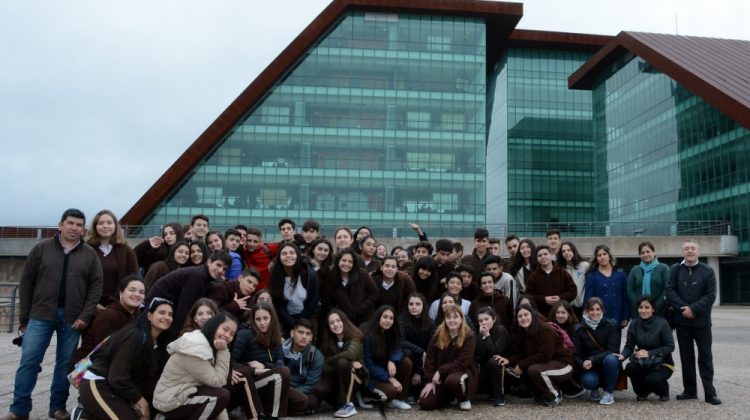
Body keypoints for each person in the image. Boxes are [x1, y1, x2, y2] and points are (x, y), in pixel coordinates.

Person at [6, 208, 103, 420]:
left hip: (73, 318)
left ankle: (57, 407)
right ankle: (19, 409)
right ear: (60, 225)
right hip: (40, 314)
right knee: (29, 360)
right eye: (70, 223)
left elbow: (96, 288)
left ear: (84, 230)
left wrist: (85, 316)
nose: (74, 228)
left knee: (64, 364)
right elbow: (27, 283)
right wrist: (24, 318)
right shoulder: (41, 248)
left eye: (79, 225)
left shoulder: (89, 255)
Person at [78, 297, 174, 420]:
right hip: (98, 383)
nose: (167, 317)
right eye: (161, 312)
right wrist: (142, 403)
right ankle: (82, 414)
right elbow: (117, 377)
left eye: (170, 314)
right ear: (149, 316)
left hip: (117, 389)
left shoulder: (158, 344)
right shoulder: (135, 337)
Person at [666, 239, 721, 405]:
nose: (690, 251)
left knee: (705, 357)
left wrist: (693, 309)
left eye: (693, 248)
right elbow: (670, 291)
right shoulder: (675, 269)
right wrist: (684, 309)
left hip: (702, 323)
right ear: (682, 251)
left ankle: (710, 393)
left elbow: (711, 295)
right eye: (687, 248)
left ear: (698, 251)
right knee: (686, 358)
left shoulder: (708, 271)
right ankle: (690, 391)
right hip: (682, 322)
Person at [153, 312, 237, 419]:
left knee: (219, 402)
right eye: (225, 329)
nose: (227, 335)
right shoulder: (196, 348)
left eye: (232, 334)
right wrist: (223, 351)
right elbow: (218, 381)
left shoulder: (208, 344)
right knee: (221, 396)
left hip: (184, 393)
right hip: (169, 402)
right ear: (214, 325)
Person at [146, 250, 231, 339]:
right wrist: (177, 338)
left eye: (224, 269)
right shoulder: (198, 276)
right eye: (218, 265)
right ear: (209, 262)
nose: (221, 270)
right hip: (156, 308)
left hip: (165, 307)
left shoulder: (204, 276)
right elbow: (185, 310)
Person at [71, 275, 146, 370]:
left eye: (141, 292)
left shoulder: (137, 315)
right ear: (121, 293)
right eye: (132, 290)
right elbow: (105, 352)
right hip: (89, 368)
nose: (137, 294)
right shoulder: (109, 316)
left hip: (114, 364)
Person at [231, 302, 292, 419]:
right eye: (258, 319)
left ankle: (264, 408)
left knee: (302, 401)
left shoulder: (276, 336)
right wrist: (255, 370)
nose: (262, 323)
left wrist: (264, 366)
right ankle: (272, 416)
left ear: (272, 318)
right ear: (253, 320)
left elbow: (280, 363)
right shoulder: (244, 334)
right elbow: (232, 364)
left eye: (265, 318)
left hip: (270, 380)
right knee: (283, 373)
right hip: (250, 384)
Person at [506, 304, 575, 407]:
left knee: (534, 369)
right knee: (526, 370)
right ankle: (542, 394)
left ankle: (555, 395)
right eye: (520, 316)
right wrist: (508, 360)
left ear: (533, 315)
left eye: (526, 314)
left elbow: (545, 355)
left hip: (564, 365)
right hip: (548, 365)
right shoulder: (522, 333)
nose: (523, 318)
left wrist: (521, 365)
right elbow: (520, 355)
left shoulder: (544, 329)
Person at [418, 304, 478, 411]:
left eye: (455, 317)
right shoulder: (438, 334)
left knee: (453, 380)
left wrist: (440, 371)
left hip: (461, 372)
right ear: (444, 319)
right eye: (448, 317)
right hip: (440, 376)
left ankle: (463, 398)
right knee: (425, 403)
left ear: (461, 318)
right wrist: (429, 381)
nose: (452, 320)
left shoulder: (469, 335)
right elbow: (430, 359)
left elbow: (463, 362)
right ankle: (448, 396)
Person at [618, 296, 675, 402]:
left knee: (651, 380)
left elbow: (670, 346)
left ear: (653, 309)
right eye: (641, 307)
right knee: (630, 368)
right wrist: (622, 355)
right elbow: (629, 346)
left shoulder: (662, 323)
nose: (643, 310)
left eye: (647, 307)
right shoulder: (634, 323)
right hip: (643, 362)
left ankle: (663, 390)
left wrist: (649, 353)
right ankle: (642, 392)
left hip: (663, 363)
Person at [315, 309, 368, 418]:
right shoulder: (327, 341)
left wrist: (330, 361)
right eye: (332, 323)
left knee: (343, 363)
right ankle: (339, 403)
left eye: (338, 321)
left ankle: (348, 405)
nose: (336, 325)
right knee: (319, 389)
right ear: (328, 326)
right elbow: (323, 366)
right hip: (336, 377)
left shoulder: (355, 336)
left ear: (344, 321)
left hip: (356, 377)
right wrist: (338, 367)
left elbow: (350, 355)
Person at [363, 305, 413, 410]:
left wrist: (392, 360)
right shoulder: (368, 336)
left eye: (391, 318)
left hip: (388, 369)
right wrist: (389, 378)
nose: (388, 321)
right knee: (392, 390)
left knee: (406, 362)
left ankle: (400, 399)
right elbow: (368, 364)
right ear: (378, 317)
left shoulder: (391, 332)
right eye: (385, 317)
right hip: (374, 377)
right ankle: (369, 395)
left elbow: (400, 349)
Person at [85, 210, 138, 308]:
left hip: (119, 305)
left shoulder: (127, 251)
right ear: (95, 227)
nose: (105, 226)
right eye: (100, 223)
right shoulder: (86, 249)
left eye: (109, 223)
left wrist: (119, 304)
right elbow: (80, 280)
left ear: (115, 226)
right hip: (89, 306)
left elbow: (133, 279)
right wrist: (93, 304)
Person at [573, 297, 621, 405]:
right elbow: (576, 354)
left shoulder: (610, 325)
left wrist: (592, 360)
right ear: (586, 311)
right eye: (591, 309)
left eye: (598, 309)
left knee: (611, 359)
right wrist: (582, 364)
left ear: (602, 310)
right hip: (590, 367)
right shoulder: (579, 329)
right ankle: (594, 388)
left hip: (605, 363)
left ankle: (609, 392)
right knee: (589, 381)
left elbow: (612, 350)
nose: (595, 312)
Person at [269, 243, 320, 333]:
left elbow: (313, 299)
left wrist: (300, 322)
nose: (288, 256)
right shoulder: (275, 275)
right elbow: (277, 302)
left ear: (297, 255)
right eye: (284, 254)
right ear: (279, 258)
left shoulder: (309, 274)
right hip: (285, 317)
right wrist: (291, 322)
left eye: (292, 253)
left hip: (308, 315)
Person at [584, 245, 630, 342]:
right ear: (596, 259)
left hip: (617, 316)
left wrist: (626, 316)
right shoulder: (592, 276)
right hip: (598, 318)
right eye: (599, 255)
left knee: (614, 351)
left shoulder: (620, 275)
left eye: (604, 254)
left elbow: (625, 296)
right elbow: (588, 299)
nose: (602, 257)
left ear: (609, 256)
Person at [322, 249, 377, 326]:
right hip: (341, 321)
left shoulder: (362, 274)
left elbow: (374, 292)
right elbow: (328, 301)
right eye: (344, 260)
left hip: (363, 319)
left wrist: (364, 305)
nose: (346, 264)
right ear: (338, 262)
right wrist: (338, 313)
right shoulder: (332, 277)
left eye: (350, 262)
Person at [282, 319, 324, 415]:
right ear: (292, 333)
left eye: (308, 334)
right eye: (300, 332)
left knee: (312, 401)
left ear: (311, 337)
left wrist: (295, 393)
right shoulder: (281, 349)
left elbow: (311, 384)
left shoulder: (316, 355)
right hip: (280, 386)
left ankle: (280, 409)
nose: (304, 337)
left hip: (299, 390)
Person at [398, 293, 433, 401]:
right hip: (409, 356)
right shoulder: (402, 319)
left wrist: (419, 371)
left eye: (418, 304)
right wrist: (420, 351)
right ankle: (406, 392)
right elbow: (401, 341)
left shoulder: (430, 322)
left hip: (423, 360)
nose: (414, 306)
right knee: (408, 353)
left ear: (423, 306)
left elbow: (430, 346)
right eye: (411, 304)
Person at [474, 307, 512, 406]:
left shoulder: (501, 330)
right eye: (480, 321)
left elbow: (495, 352)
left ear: (494, 319)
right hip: (486, 368)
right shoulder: (480, 333)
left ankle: (500, 396)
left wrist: (486, 336)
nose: (483, 323)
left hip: (503, 368)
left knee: (493, 361)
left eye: (486, 319)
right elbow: (478, 355)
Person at [524, 245, 577, 316]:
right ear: (537, 259)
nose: (543, 257)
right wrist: (544, 299)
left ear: (551, 255)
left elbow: (573, 291)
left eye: (545, 254)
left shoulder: (562, 273)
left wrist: (560, 298)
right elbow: (528, 295)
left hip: (561, 314)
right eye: (540, 255)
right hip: (542, 315)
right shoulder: (533, 276)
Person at [628, 241, 670, 318]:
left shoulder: (664, 268)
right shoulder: (635, 270)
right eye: (642, 252)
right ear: (640, 255)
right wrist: (640, 307)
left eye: (648, 251)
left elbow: (667, 289)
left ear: (654, 253)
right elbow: (630, 290)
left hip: (659, 312)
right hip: (639, 313)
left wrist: (654, 307)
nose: (645, 254)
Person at [556, 241, 589, 318]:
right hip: (568, 307)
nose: (566, 253)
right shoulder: (560, 269)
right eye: (563, 251)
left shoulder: (585, 265)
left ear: (574, 251)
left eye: (569, 250)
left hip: (584, 306)